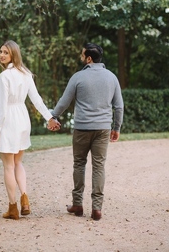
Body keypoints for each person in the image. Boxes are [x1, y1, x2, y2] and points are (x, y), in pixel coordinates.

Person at [51, 43, 123, 221]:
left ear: (89, 58)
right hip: (103, 129)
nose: (81, 57)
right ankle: (97, 208)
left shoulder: (78, 77)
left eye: (83, 54)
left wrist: (52, 116)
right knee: (99, 166)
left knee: (79, 164)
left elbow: (64, 101)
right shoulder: (112, 77)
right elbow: (119, 106)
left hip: (82, 128)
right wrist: (116, 128)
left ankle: (77, 204)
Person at [0, 40, 60, 220]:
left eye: (6, 52)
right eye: (1, 52)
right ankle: (25, 199)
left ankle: (13, 207)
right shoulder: (26, 74)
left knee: (8, 165)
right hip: (23, 119)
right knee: (18, 163)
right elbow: (37, 100)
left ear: (14, 54)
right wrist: (49, 117)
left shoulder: (5, 76)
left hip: (9, 120)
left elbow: (1, 106)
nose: (2, 55)